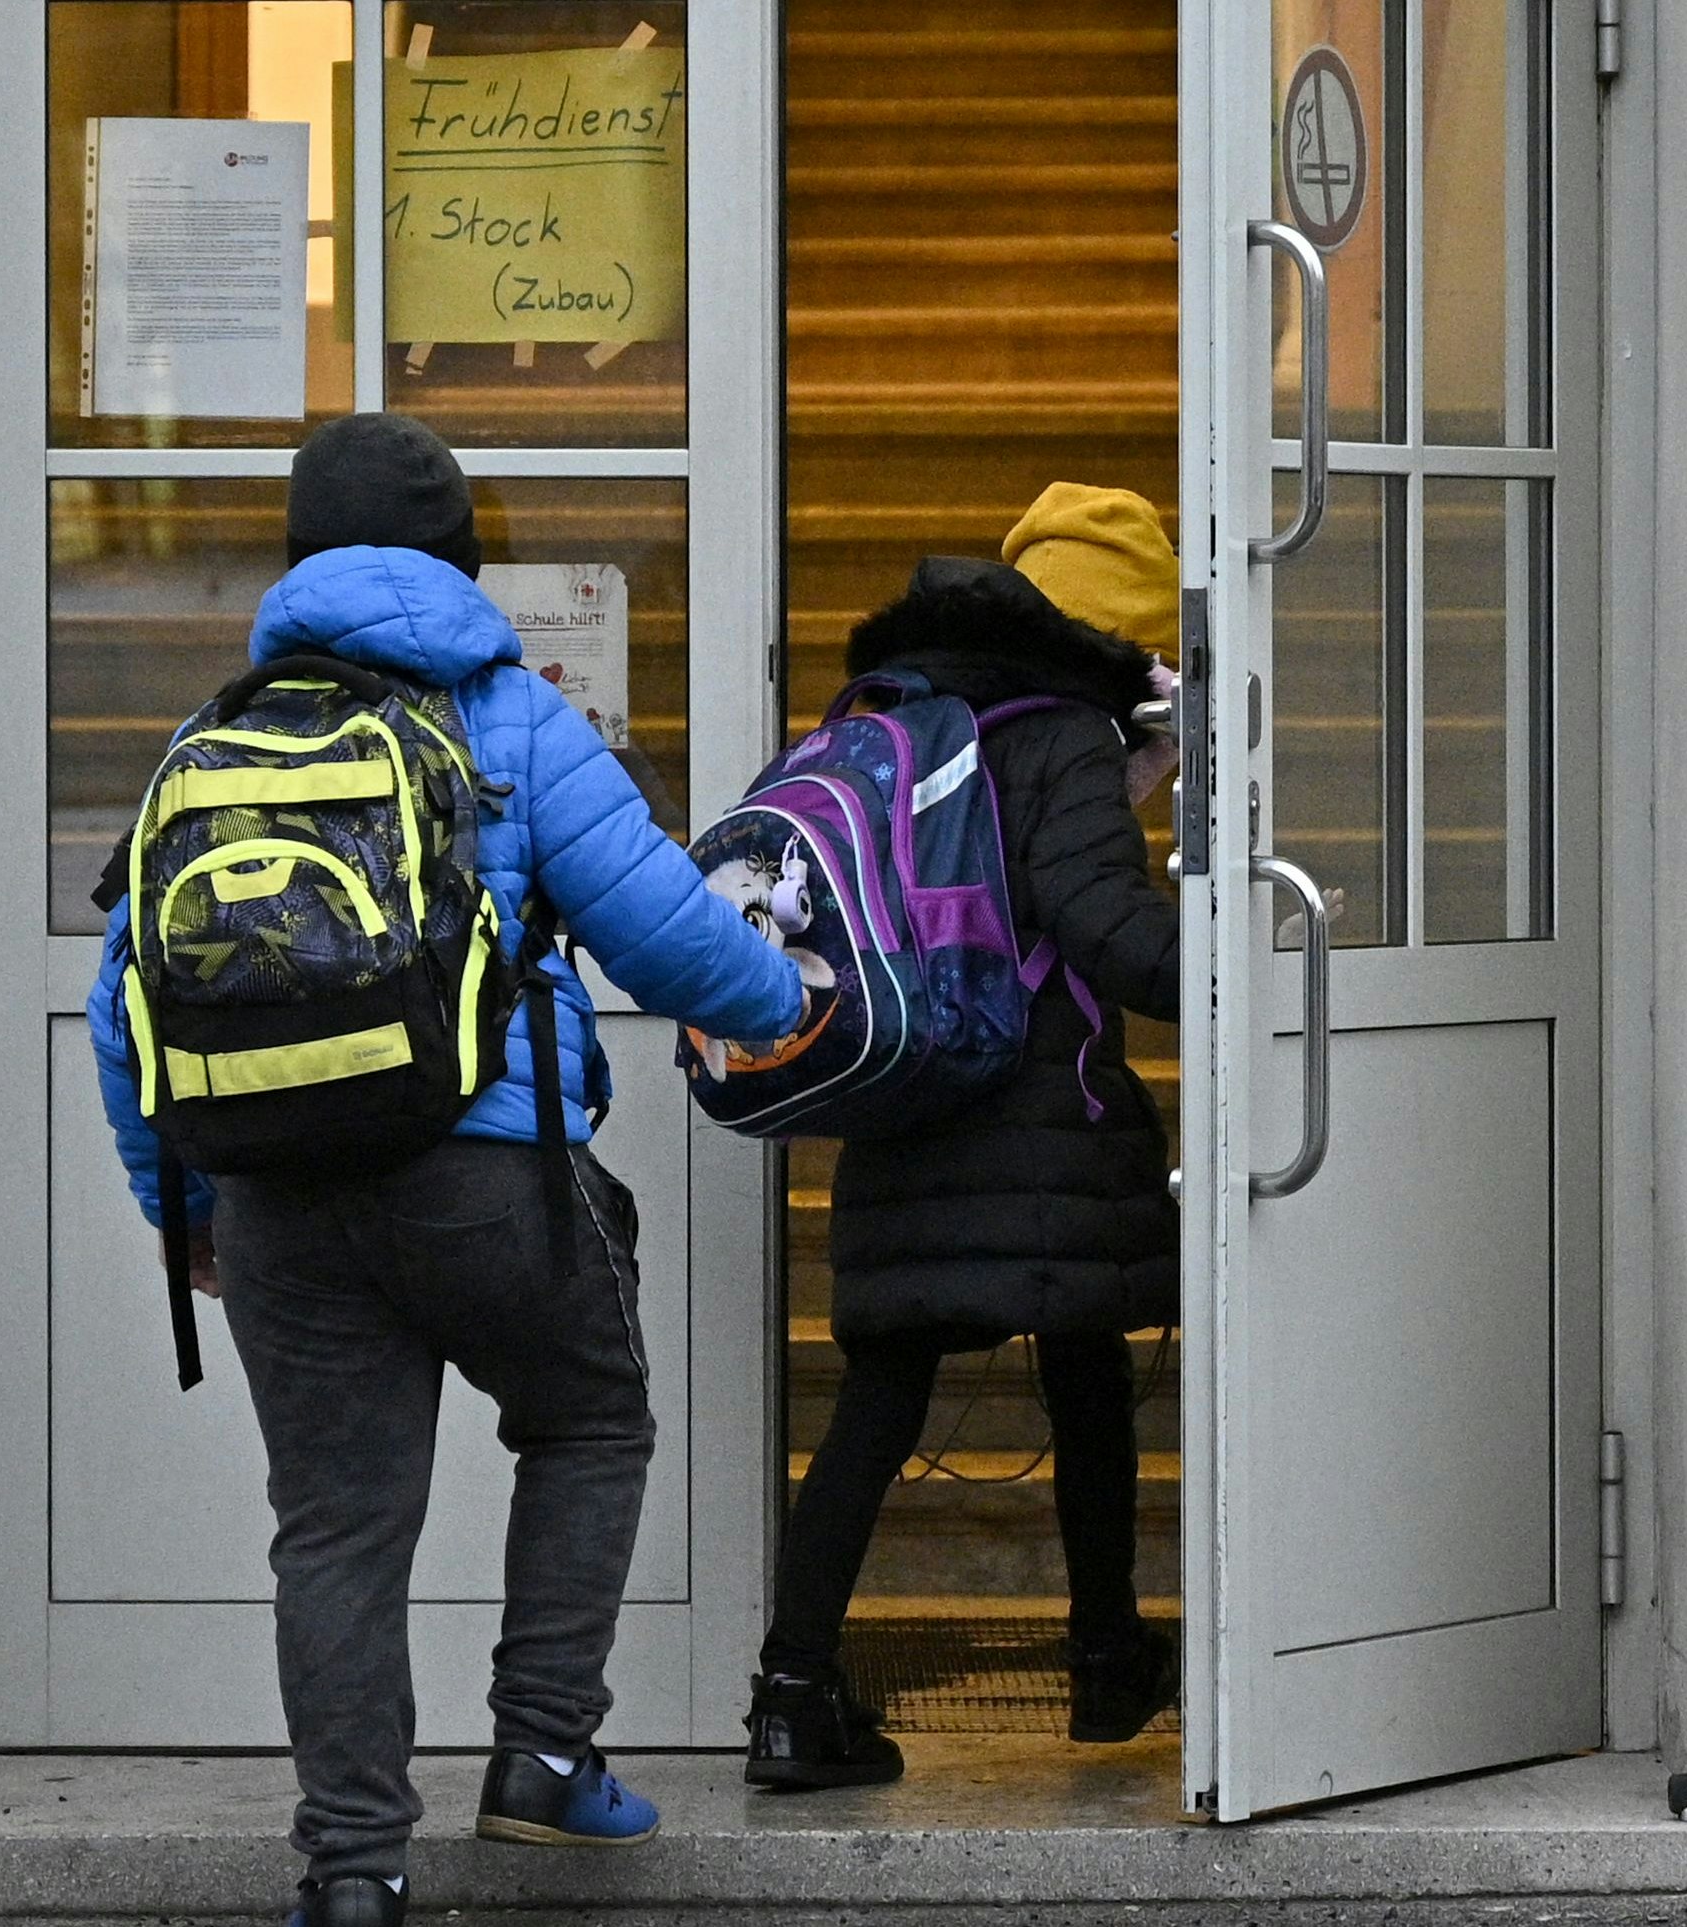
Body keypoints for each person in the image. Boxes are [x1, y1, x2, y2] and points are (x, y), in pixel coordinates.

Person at [87, 414, 811, 1927]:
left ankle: (353, 1870)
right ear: (462, 554)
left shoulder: (210, 736)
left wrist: (186, 1210)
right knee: (589, 1421)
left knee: (337, 1530)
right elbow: (663, 930)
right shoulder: (512, 717)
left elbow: (125, 1010)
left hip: (279, 1196)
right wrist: (786, 1010)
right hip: (486, 1177)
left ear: (295, 561)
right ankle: (542, 1756)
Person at [744, 483, 1190, 1791]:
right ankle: (1106, 1665)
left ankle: (788, 1693)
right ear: (1118, 636)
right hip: (1040, 1117)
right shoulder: (1057, 738)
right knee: (1086, 1370)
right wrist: (1253, 964)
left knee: (881, 1400)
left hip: (901, 1098)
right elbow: (1104, 929)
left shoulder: (886, 721)